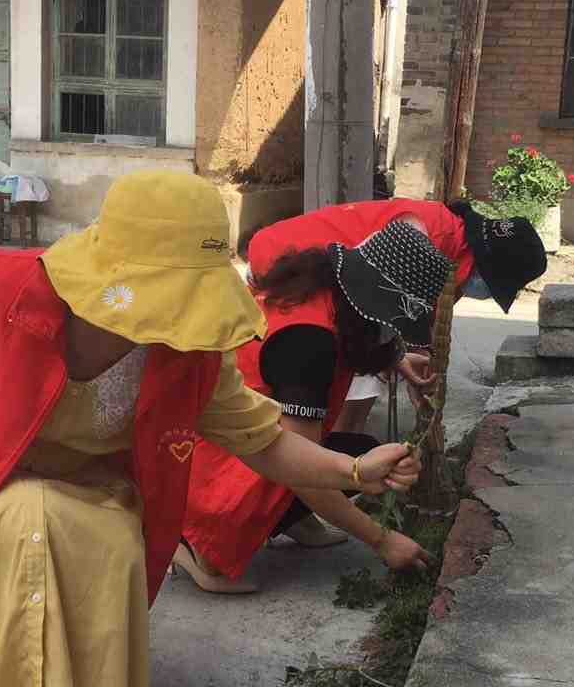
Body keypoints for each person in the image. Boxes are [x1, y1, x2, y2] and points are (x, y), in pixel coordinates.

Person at [0, 171, 421, 687]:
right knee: (30, 515)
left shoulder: (188, 350)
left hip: (93, 483)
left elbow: (264, 441)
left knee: (104, 532)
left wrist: (353, 469)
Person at [178, 219, 455, 593]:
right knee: (351, 465)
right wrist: (382, 540)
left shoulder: (323, 292)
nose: (392, 330)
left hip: (235, 441)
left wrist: (398, 360)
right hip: (211, 466)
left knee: (359, 451)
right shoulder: (308, 343)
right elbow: (300, 465)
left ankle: (287, 518)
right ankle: (196, 541)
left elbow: (358, 342)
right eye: (392, 321)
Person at [243, 198, 548, 434]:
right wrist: (353, 475)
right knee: (340, 393)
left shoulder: (452, 242)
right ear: (487, 267)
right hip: (284, 266)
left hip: (300, 270)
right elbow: (381, 324)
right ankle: (335, 447)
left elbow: (403, 325)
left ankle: (332, 449)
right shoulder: (424, 236)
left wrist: (398, 359)